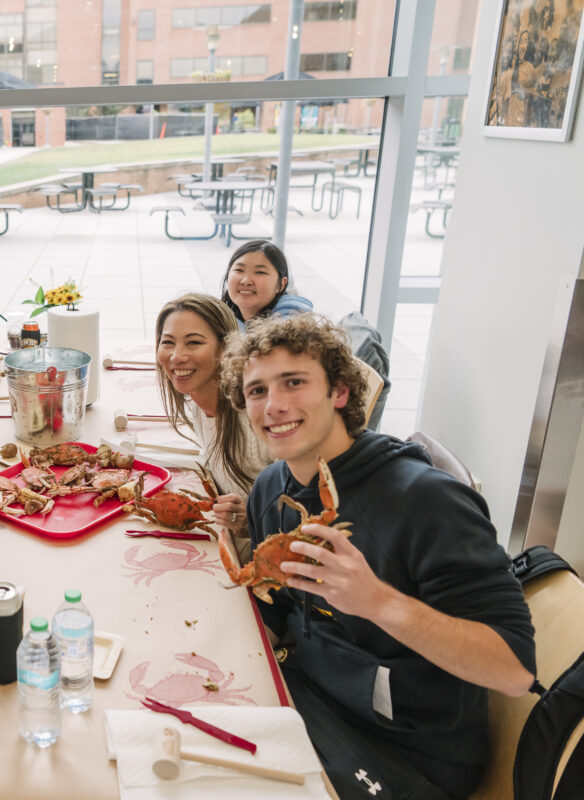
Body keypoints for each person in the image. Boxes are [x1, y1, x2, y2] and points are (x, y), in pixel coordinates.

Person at [219, 313, 535, 799]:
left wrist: (378, 602)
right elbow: (280, 615)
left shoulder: (427, 501)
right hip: (309, 697)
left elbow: (513, 671)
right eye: (257, 391)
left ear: (340, 393)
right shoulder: (270, 489)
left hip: (409, 753)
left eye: (294, 382)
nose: (274, 405)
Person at [154, 294, 273, 549]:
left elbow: (308, 516)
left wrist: (250, 523)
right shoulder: (198, 403)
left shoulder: (256, 420)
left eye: (194, 343)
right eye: (168, 342)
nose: (176, 356)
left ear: (224, 348)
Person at [218, 239, 312, 331]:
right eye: (239, 270)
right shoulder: (222, 320)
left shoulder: (289, 329)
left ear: (281, 284)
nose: (246, 281)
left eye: (260, 272)